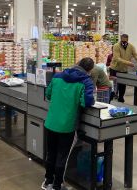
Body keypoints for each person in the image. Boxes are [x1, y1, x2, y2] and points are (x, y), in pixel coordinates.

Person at [42, 58, 95, 190]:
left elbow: (48, 95)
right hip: (67, 125)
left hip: (51, 122)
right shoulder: (86, 81)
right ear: (89, 70)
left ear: (78, 64)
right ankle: (57, 185)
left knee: (51, 153)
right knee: (62, 156)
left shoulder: (58, 75)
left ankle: (48, 181)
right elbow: (87, 102)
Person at [109, 34, 137, 102]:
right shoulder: (116, 46)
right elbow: (117, 58)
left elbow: (136, 55)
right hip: (115, 68)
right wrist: (128, 63)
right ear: (120, 39)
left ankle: (121, 98)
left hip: (124, 69)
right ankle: (112, 97)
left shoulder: (131, 46)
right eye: (122, 41)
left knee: (123, 85)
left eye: (125, 41)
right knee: (114, 85)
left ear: (127, 40)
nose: (124, 43)